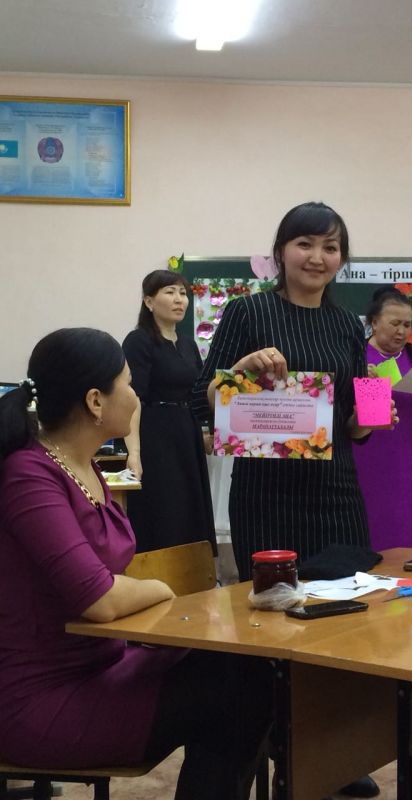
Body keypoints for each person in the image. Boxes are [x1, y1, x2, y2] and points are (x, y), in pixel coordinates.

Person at [0, 328, 272, 799]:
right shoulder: (29, 475)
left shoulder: (84, 466)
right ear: (95, 401)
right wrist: (163, 590)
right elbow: (100, 598)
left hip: (104, 664)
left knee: (247, 669)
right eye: (127, 384)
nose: (136, 397)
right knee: (236, 694)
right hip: (43, 698)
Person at [192, 201, 395, 800]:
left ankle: (329, 754)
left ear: (342, 259)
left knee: (341, 617)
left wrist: (372, 417)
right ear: (281, 251)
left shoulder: (347, 325)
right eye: (305, 244)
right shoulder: (248, 311)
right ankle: (275, 746)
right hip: (267, 491)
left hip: (337, 488)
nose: (317, 257)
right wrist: (240, 368)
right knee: (275, 619)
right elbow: (204, 399)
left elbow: (356, 417)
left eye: (331, 247)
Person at [122, 270, 216, 553]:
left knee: (191, 507)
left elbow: (198, 393)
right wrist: (134, 453)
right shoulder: (139, 340)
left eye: (183, 293)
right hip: (156, 435)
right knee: (166, 509)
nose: (179, 300)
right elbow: (132, 399)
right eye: (170, 292)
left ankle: (193, 571)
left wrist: (206, 433)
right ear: (149, 302)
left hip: (187, 433)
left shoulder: (187, 343)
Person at [352, 287, 412, 549]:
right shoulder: (357, 357)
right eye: (394, 323)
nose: (401, 331)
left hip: (409, 463)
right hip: (366, 461)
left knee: (409, 532)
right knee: (369, 531)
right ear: (374, 322)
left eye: (407, 325)